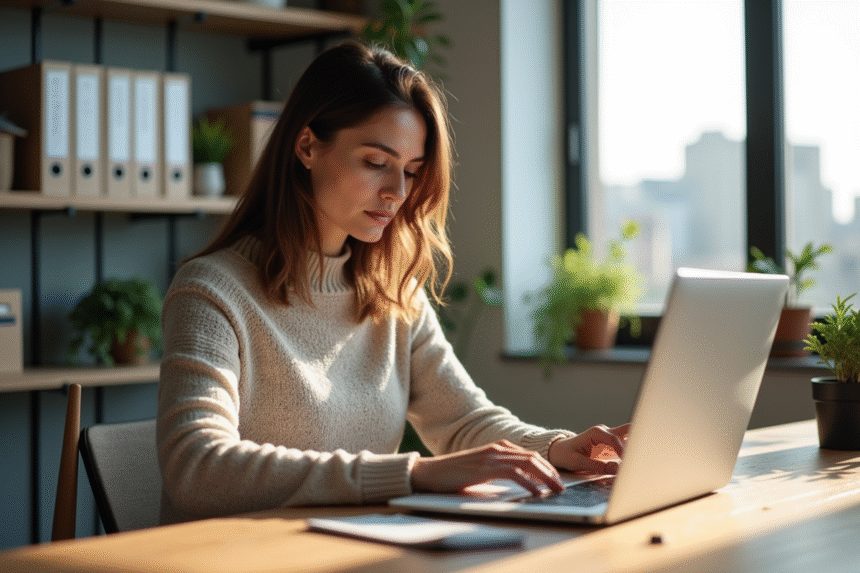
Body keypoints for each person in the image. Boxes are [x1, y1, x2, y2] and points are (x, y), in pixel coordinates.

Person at [157, 40, 628, 524]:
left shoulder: (394, 292)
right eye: (375, 163)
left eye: (410, 171)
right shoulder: (212, 291)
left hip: (346, 550)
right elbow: (197, 468)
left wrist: (555, 447)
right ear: (306, 147)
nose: (397, 193)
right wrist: (413, 474)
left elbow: (463, 420)